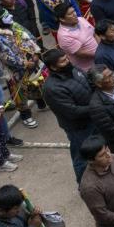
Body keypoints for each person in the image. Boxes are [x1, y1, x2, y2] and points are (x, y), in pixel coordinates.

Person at [41, 48, 95, 182]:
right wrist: (96, 107)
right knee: (82, 157)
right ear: (53, 67)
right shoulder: (52, 88)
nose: (67, 61)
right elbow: (72, 112)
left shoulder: (73, 69)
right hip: (78, 128)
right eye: (63, 61)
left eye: (66, 58)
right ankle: (83, 184)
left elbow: (88, 83)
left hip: (92, 119)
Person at [55, 2, 98, 71]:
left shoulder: (80, 19)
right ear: (62, 19)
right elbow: (81, 53)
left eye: (74, 11)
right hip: (89, 68)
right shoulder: (64, 36)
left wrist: (102, 48)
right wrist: (100, 54)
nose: (75, 14)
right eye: (70, 14)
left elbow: (95, 34)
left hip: (101, 56)